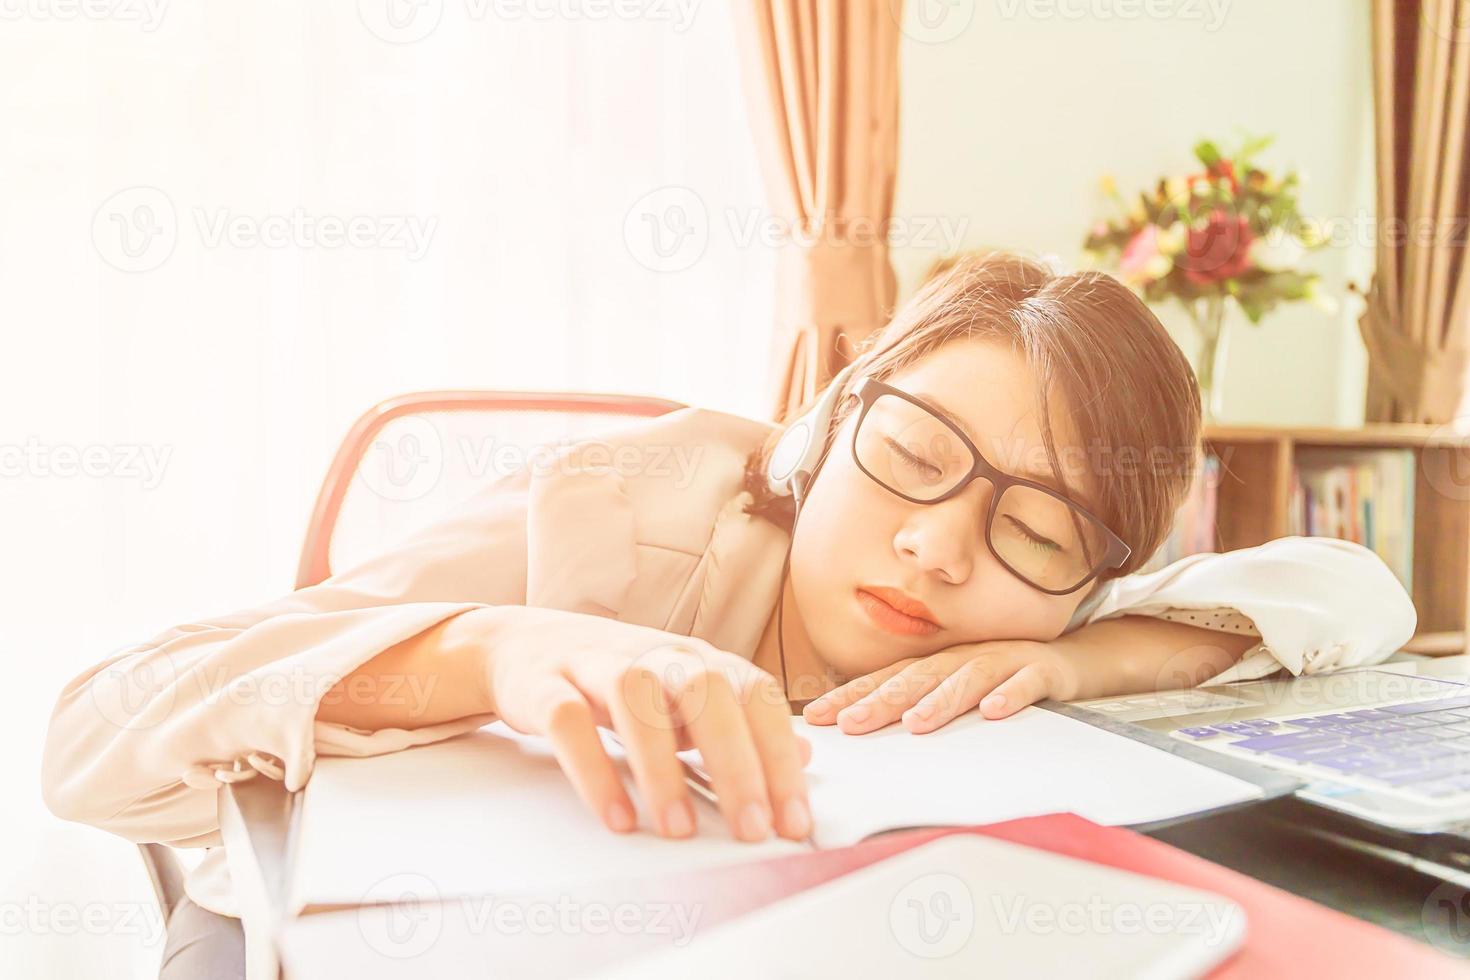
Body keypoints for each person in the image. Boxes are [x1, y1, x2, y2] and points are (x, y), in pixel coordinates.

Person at [41, 251, 1416, 977]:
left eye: (1038, 529)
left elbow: (1354, 588)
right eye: (912, 459)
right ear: (823, 424)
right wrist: (492, 648)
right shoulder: (623, 505)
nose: (939, 550)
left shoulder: (1050, 629)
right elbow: (95, 734)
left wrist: (1084, 656)